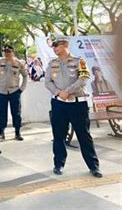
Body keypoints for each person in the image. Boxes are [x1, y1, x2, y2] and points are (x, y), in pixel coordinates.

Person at [45, 35, 102, 178]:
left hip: (77, 104)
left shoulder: (79, 61)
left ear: (64, 44)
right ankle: (58, 164)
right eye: (53, 46)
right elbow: (48, 82)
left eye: (56, 45)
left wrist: (68, 91)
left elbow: (83, 79)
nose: (54, 49)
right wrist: (59, 93)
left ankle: (94, 166)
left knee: (84, 136)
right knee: (58, 136)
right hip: (58, 104)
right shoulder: (52, 64)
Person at [0, 45, 28, 141]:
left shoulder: (18, 63)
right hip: (2, 91)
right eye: (5, 52)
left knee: (16, 112)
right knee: (2, 112)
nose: (7, 53)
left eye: (9, 51)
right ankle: (1, 131)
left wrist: (22, 88)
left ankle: (17, 132)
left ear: (13, 52)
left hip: (14, 91)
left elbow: (25, 76)